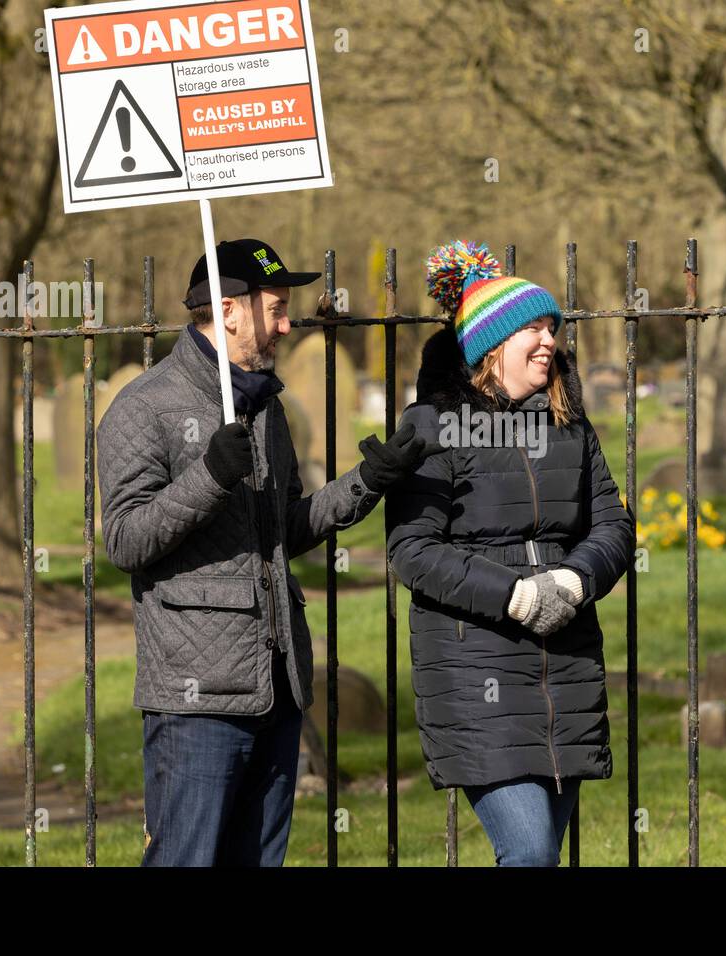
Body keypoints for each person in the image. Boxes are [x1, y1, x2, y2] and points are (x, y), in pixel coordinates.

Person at [97, 238, 436, 866]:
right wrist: (209, 478)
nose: (287, 324)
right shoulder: (144, 408)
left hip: (277, 687)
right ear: (228, 311)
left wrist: (368, 483)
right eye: (276, 309)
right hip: (197, 699)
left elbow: (284, 530)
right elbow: (124, 539)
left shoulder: (263, 407)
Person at [384, 240, 632, 866]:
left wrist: (574, 582)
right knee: (527, 854)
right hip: (477, 671)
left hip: (565, 667)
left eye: (553, 327)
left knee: (540, 856)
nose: (549, 340)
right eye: (532, 328)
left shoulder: (570, 426)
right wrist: (516, 594)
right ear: (490, 346)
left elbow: (613, 525)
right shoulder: (433, 427)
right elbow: (412, 550)